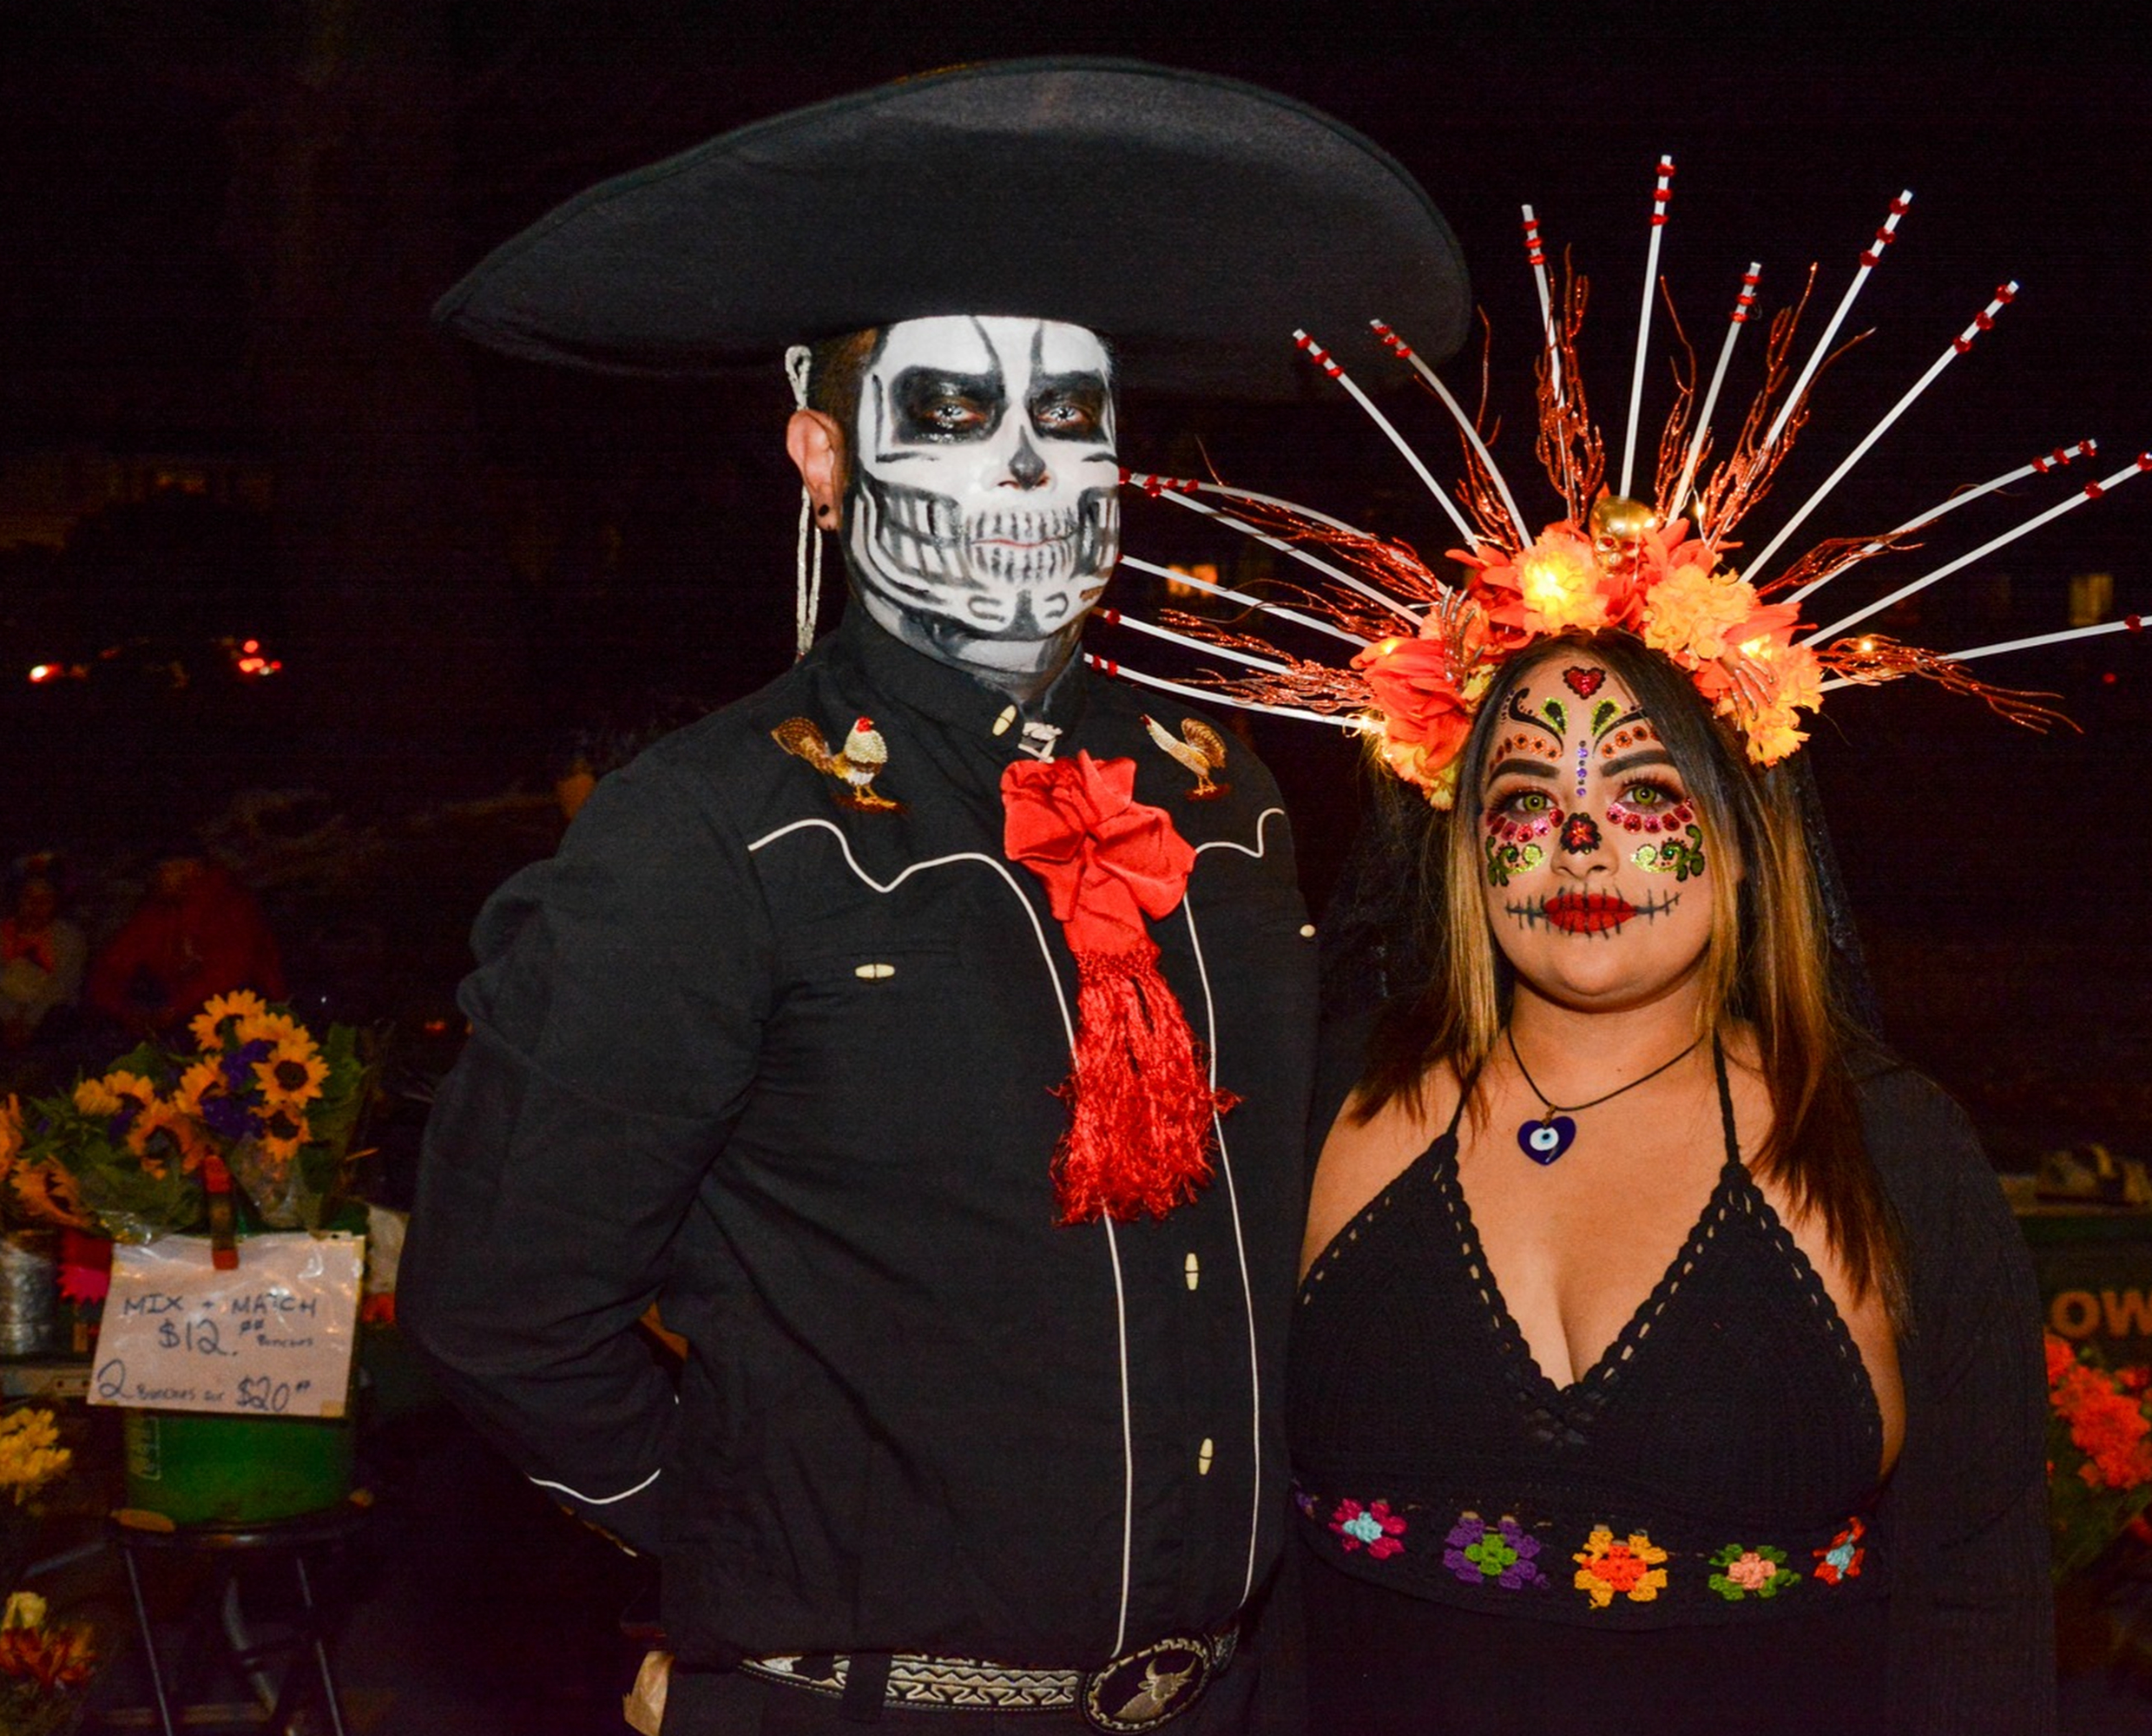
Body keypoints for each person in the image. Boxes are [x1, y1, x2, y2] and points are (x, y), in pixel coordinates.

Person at [398, 59, 1467, 1736]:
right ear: (823, 456)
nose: (1034, 471)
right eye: (958, 416)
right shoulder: (712, 834)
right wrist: (745, 1552)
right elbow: (502, 1307)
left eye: (1075, 416)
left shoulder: (1226, 801)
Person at [1291, 634, 2049, 1733]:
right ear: (1465, 848)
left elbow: (1984, 1601)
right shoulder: (1330, 1103)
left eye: (1646, 788)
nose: (1582, 844)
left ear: (1745, 838)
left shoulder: (1894, 1146)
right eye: (1524, 796)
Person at [84, 850, 284, 1042]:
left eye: (159, 870)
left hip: (252, 1015)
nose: (152, 879)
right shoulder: (155, 913)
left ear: (189, 868)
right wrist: (124, 1012)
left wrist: (174, 1009)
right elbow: (112, 965)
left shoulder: (230, 904)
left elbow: (231, 971)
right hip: (186, 1022)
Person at [0, 859, 87, 1085]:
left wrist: (31, 1021)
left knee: (63, 1024)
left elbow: (62, 984)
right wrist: (10, 1018)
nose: (35, 905)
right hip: (2, 1012)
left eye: (45, 900)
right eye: (28, 897)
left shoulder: (69, 938)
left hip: (48, 1012)